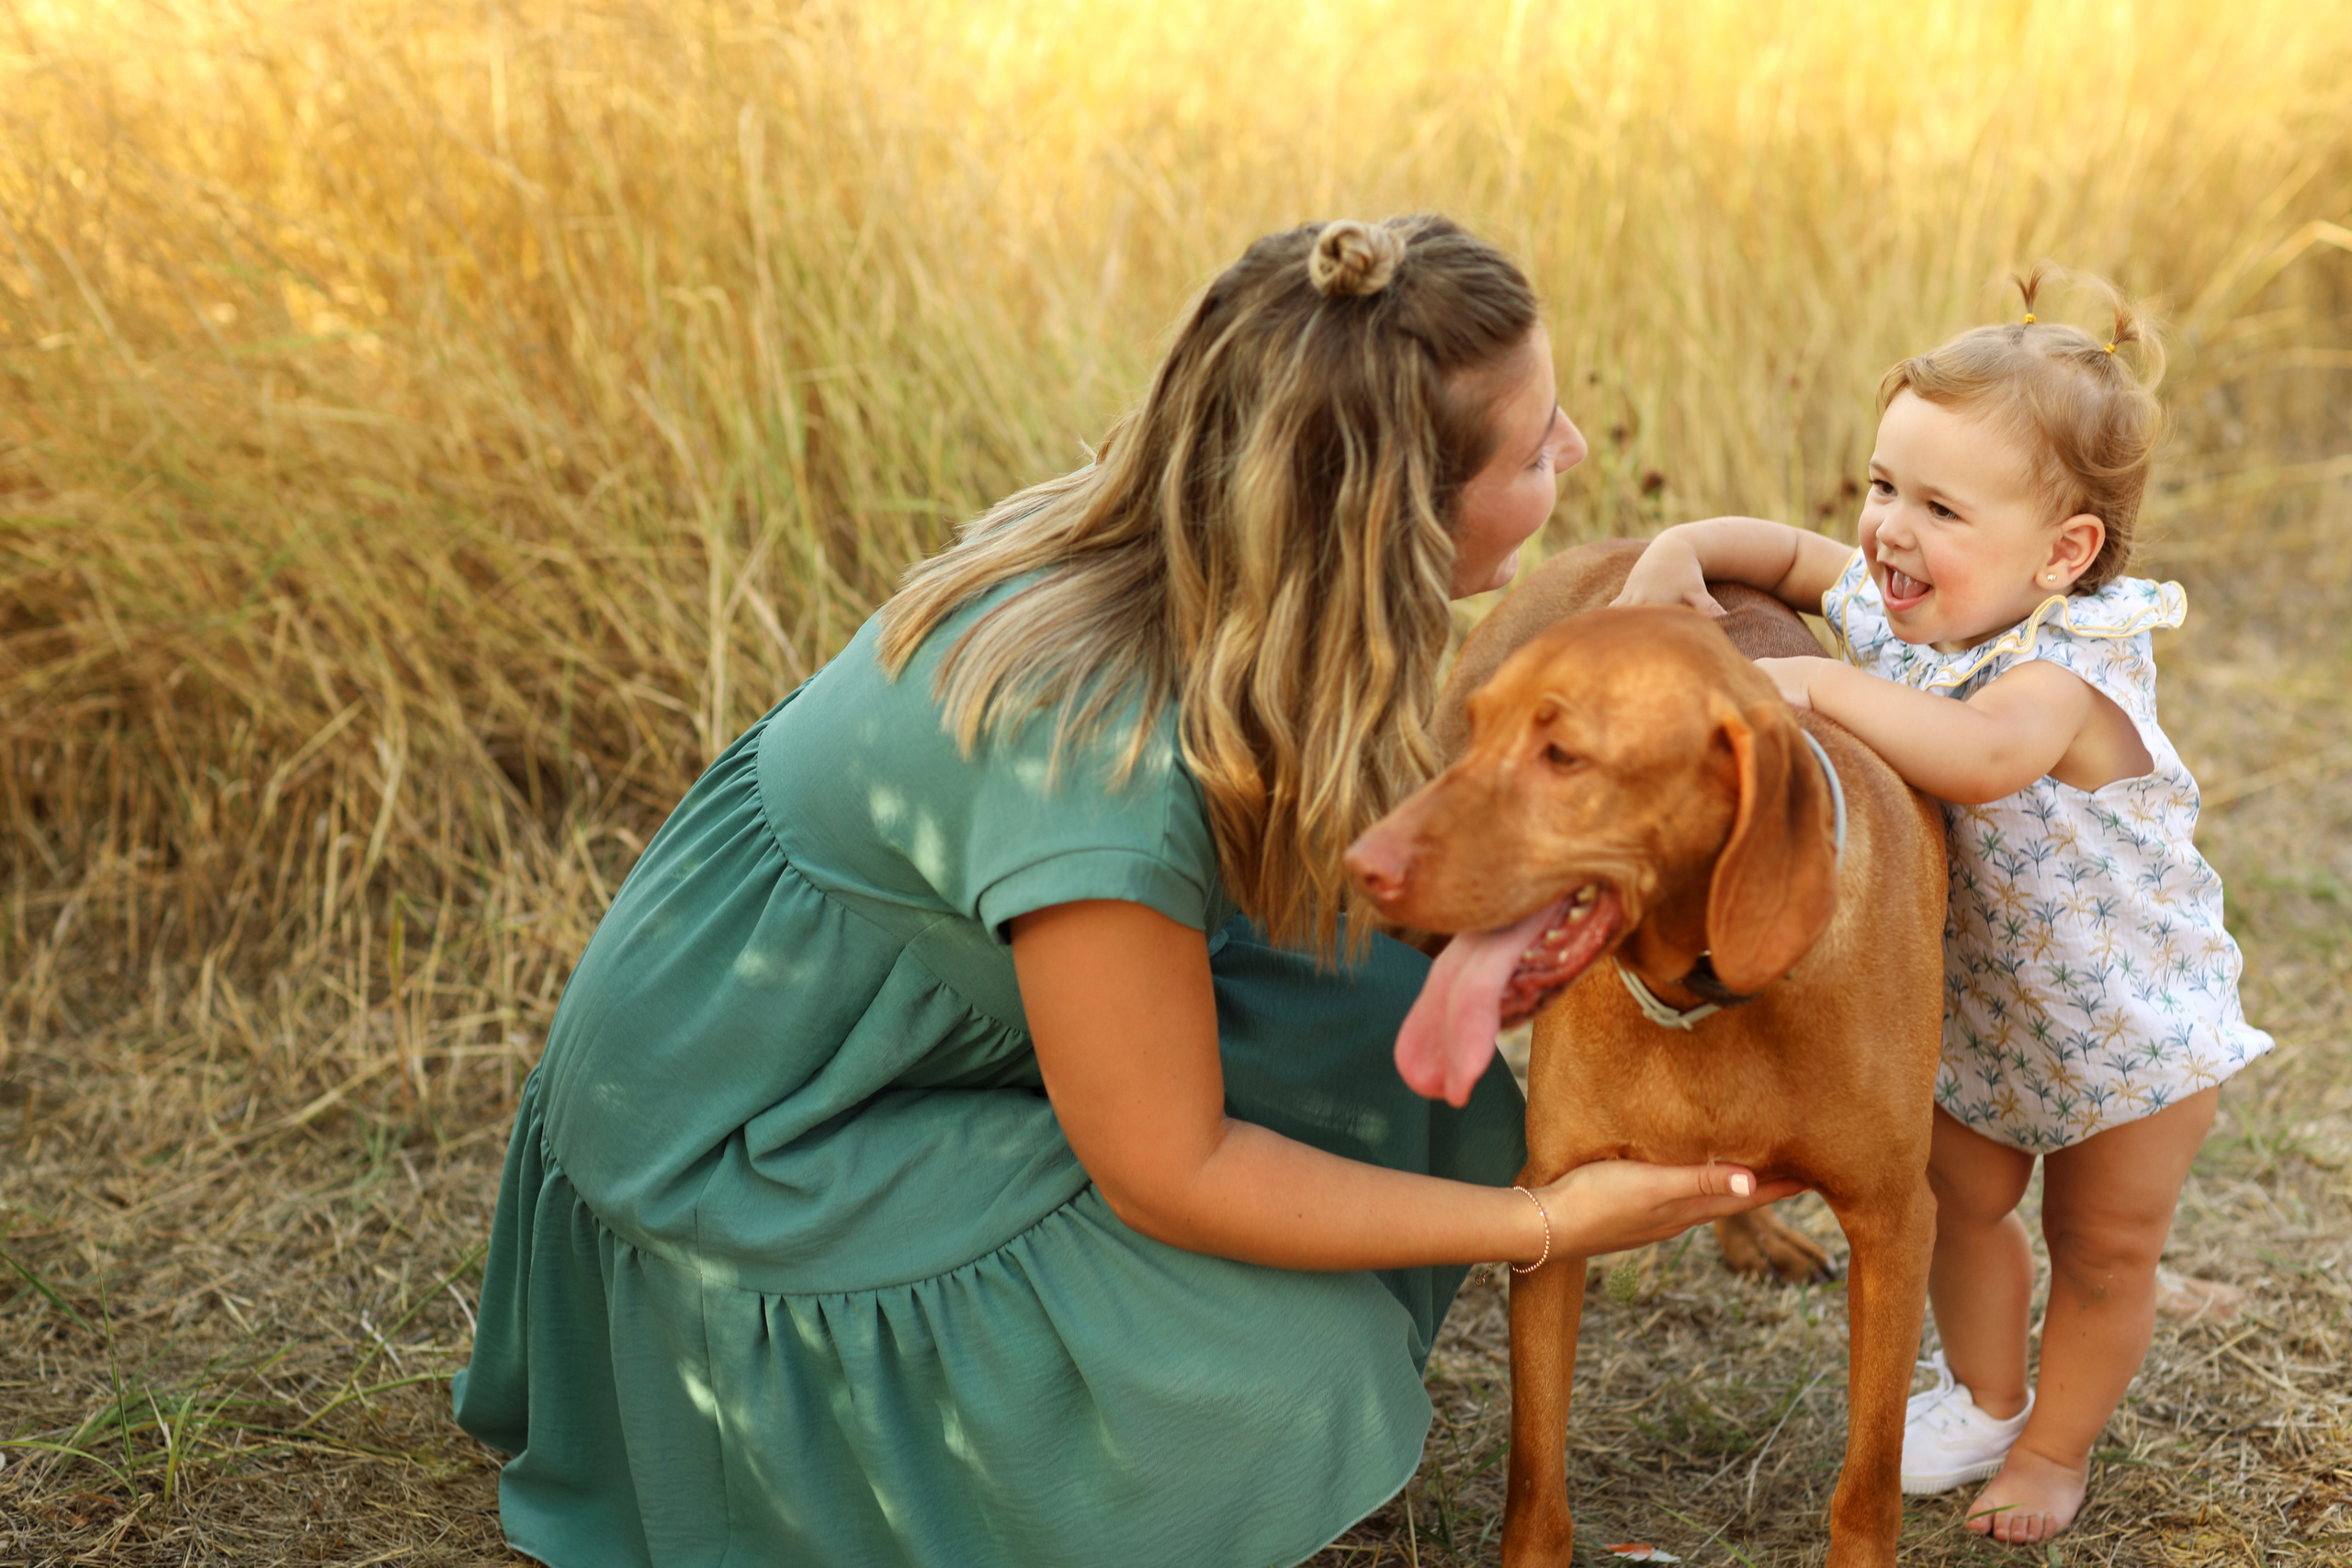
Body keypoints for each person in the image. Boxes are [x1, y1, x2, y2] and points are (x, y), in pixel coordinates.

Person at [451, 215, 1796, 1568]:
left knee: (1378, 1010)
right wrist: (1544, 1225)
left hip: (863, 1031)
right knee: (1296, 1378)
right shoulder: (1099, 759)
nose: (1575, 451)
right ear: (1393, 518)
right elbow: (1173, 1170)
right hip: (753, 1148)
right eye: (1538, 445)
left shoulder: (1209, 552)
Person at [1610, 267, 2272, 1548]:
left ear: (2063, 554)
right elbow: (1776, 552)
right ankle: (1983, 1395)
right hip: (1980, 1017)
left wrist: (1811, 685)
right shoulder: (1905, 607)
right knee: (1957, 1206)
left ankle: (2053, 1451)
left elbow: (1976, 758)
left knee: (2102, 1249)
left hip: (2131, 1038)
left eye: (1940, 507)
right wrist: (1677, 548)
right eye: (1882, 486)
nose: (1887, 532)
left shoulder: (2067, 669)